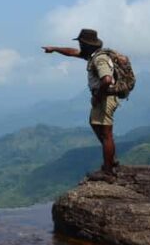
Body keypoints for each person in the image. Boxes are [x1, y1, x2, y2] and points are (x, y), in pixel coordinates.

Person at [42, 28, 118, 179]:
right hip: (104, 97)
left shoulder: (99, 59)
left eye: (81, 43)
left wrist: (97, 96)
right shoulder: (92, 55)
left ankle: (108, 171)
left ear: (86, 44)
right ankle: (111, 160)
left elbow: (107, 80)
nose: (80, 46)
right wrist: (55, 49)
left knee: (106, 134)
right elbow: (72, 52)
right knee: (95, 125)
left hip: (105, 97)